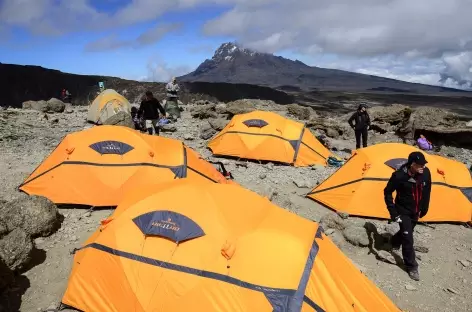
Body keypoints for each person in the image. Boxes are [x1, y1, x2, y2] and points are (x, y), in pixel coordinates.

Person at [384, 151, 432, 281]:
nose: (423, 167)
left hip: (416, 211)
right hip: (402, 211)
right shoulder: (398, 176)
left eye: (424, 164)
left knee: (407, 231)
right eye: (420, 165)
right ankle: (411, 266)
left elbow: (427, 190)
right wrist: (393, 213)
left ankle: (394, 241)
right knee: (408, 238)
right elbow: (387, 193)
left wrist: (425, 208)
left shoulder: (426, 173)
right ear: (412, 164)